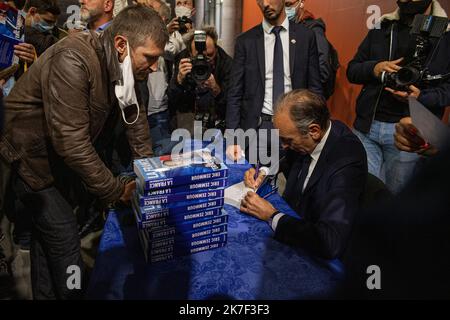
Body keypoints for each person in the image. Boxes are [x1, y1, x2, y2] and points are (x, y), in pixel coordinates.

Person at [0, 5, 168, 299]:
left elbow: (137, 125)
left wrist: (148, 177)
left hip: (57, 162)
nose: (154, 66)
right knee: (66, 242)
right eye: (150, 57)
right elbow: (71, 142)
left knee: (46, 241)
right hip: (29, 161)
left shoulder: (126, 67)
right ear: (121, 45)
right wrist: (116, 190)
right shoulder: (74, 57)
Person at [240, 89, 367, 260]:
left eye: (288, 140)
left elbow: (330, 242)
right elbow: (284, 159)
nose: (284, 146)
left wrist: (272, 215)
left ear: (314, 130)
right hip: (295, 225)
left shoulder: (346, 161)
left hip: (318, 256)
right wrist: (261, 172)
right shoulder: (306, 137)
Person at [346, 0, 450, 194]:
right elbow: (352, 70)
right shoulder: (382, 26)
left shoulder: (446, 35)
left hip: (410, 135)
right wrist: (374, 69)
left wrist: (421, 97)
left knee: (394, 202)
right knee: (361, 194)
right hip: (367, 128)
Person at [226, 0, 322, 164]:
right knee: (254, 185)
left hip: (296, 127)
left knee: (294, 187)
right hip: (257, 129)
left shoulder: (306, 37)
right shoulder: (246, 41)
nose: (265, 4)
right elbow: (235, 92)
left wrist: (319, 127)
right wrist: (232, 138)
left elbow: (314, 87)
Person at [169, 26, 233, 134]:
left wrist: (216, 89)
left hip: (216, 123)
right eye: (198, 56)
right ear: (189, 53)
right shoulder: (182, 60)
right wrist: (178, 81)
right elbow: (171, 100)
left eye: (209, 56)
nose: (203, 61)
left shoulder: (226, 63)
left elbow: (231, 104)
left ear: (216, 49)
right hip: (187, 122)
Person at [285, 0, 338, 99]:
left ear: (301, 3)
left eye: (288, 4)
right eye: (282, 5)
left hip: (301, 100)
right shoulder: (286, 28)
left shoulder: (313, 30)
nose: (285, 9)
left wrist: (304, 94)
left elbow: (322, 70)